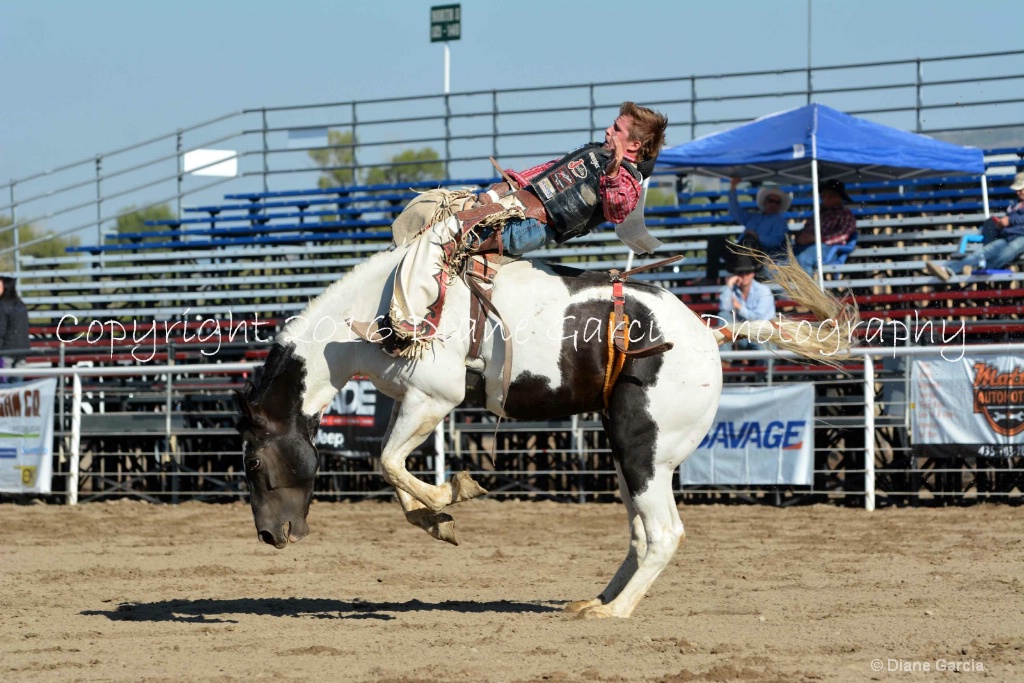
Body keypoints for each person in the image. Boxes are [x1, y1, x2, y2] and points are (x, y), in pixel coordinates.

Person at [924, 171, 1024, 282]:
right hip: (1008, 237)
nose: (1018, 192)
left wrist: (1010, 220)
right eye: (1018, 190)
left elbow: (1015, 220)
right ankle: (947, 269)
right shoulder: (1014, 206)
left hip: (1020, 238)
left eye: (1021, 189)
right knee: (981, 253)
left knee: (1009, 250)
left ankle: (978, 267)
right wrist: (1001, 225)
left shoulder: (1014, 209)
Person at [790, 179, 857, 276]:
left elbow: (842, 235)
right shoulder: (818, 213)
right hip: (807, 246)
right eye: (823, 195)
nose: (823, 198)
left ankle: (806, 290)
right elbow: (806, 228)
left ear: (837, 197)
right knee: (783, 259)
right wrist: (800, 238)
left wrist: (817, 238)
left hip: (828, 249)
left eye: (827, 195)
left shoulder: (845, 214)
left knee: (804, 258)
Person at [717, 253, 776, 353]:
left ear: (752, 273)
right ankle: (725, 359)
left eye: (747, 272)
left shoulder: (763, 291)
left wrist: (739, 307)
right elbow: (724, 308)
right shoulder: (732, 290)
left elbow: (759, 319)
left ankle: (762, 366)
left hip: (761, 334)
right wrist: (729, 285)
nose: (744, 275)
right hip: (742, 335)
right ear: (736, 275)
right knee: (723, 315)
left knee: (762, 341)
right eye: (740, 273)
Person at [0, 276, 30, 379]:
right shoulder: (21, 305)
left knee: (3, 380)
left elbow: (1, 329)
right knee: (18, 379)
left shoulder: (2, 305)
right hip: (22, 347)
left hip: (6, 348)